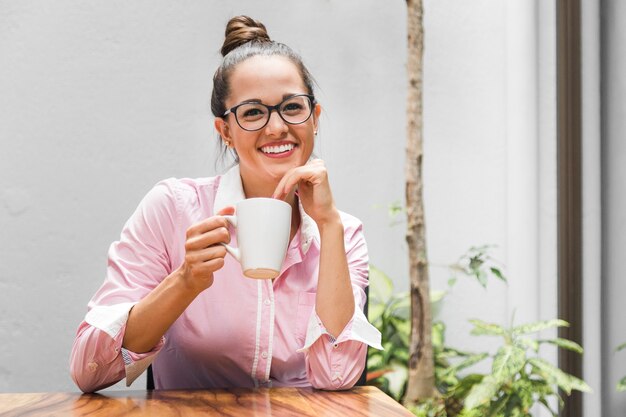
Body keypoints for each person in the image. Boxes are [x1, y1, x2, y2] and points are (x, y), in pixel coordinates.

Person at [69, 15, 382, 393]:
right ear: (226, 131)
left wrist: (328, 226)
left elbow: (338, 377)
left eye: (292, 107)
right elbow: (89, 372)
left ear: (314, 118)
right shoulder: (172, 209)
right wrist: (185, 282)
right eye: (252, 112)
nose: (276, 127)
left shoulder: (342, 232)